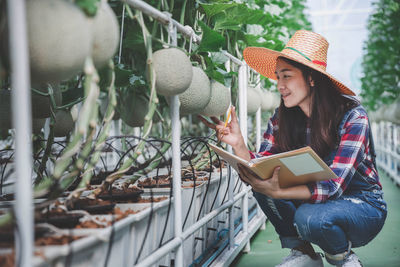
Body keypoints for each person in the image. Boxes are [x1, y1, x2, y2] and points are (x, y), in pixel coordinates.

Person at [199, 30, 387, 267]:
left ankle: (342, 258)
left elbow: (334, 185)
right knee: (262, 183)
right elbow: (261, 164)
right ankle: (304, 254)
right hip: (319, 200)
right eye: (278, 77)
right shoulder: (282, 117)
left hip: (363, 205)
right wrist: (239, 145)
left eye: (286, 76)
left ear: (311, 78)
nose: (279, 85)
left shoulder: (352, 117)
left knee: (310, 218)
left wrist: (279, 192)